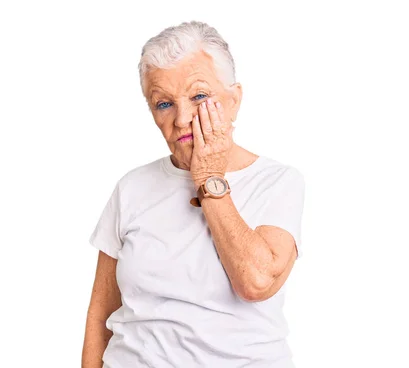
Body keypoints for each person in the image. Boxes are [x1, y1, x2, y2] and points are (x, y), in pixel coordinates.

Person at [82, 20, 306, 368]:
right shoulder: (131, 188)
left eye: (199, 96)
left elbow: (257, 282)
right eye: (163, 104)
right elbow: (101, 316)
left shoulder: (277, 182)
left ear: (234, 100)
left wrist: (209, 176)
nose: (183, 118)